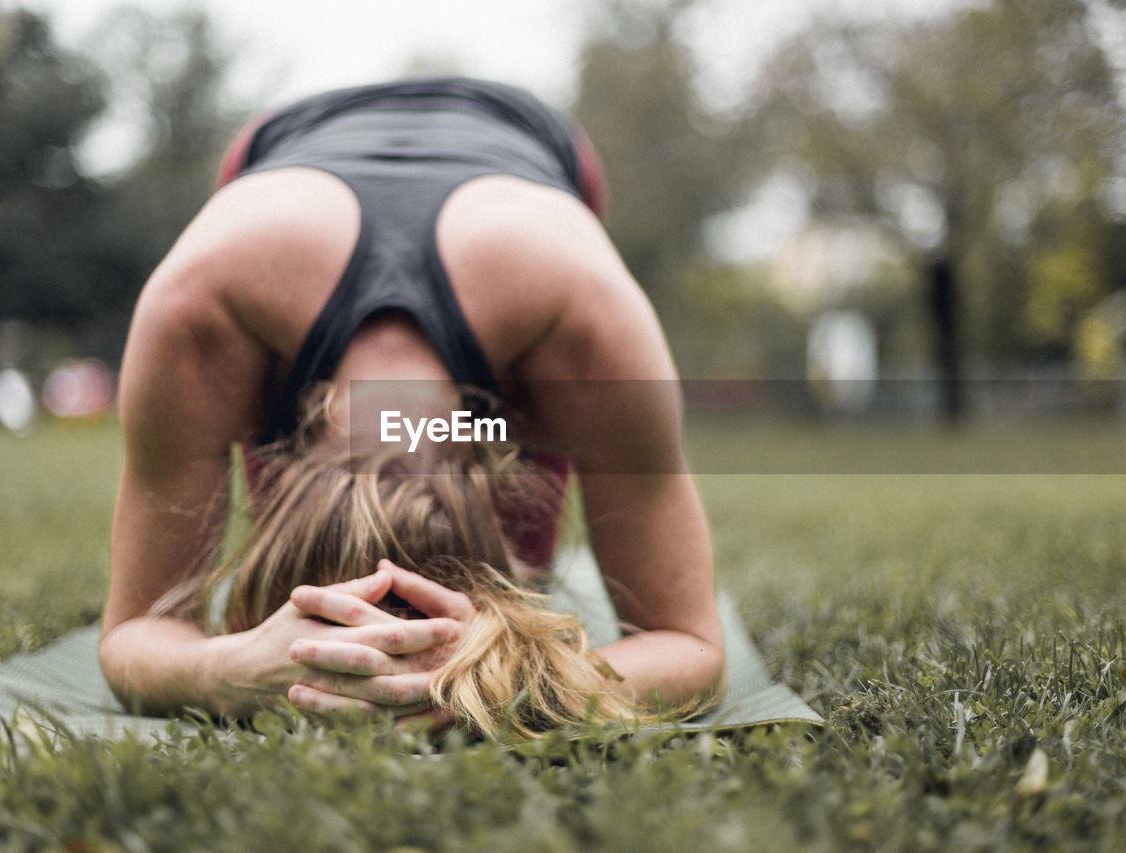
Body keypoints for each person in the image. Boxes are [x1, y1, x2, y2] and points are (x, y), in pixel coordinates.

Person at [100, 77, 724, 736]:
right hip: (279, 149)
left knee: (519, 601)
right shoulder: (201, 310)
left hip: (532, 146)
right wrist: (231, 666)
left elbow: (690, 644)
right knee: (310, 614)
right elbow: (135, 628)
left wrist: (511, 675)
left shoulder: (583, 324)